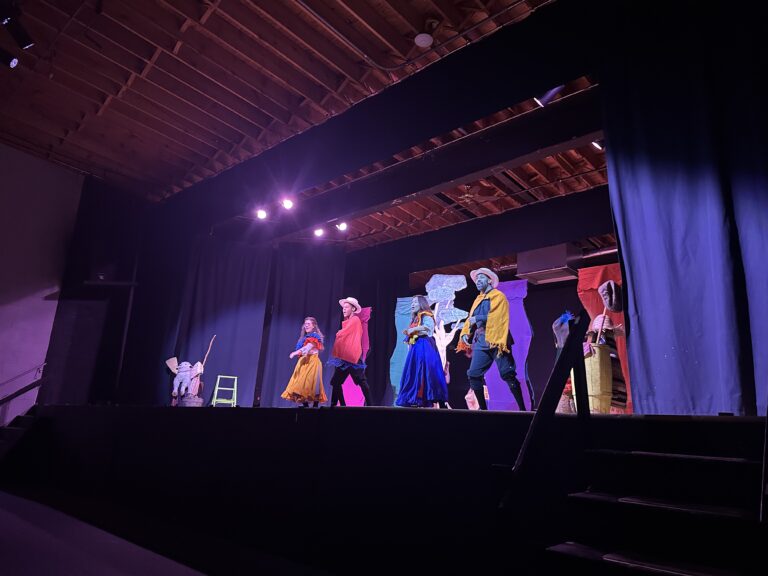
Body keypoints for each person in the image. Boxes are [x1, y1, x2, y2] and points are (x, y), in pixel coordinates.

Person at [456, 267, 526, 411]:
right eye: (476, 279)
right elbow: (470, 318)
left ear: (489, 280)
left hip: (497, 339)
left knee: (507, 374)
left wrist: (478, 318)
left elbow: (499, 317)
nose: (478, 281)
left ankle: (523, 409)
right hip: (481, 340)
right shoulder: (478, 299)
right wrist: (465, 333)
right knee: (473, 374)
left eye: (481, 278)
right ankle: (483, 409)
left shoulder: (498, 296)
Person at [396, 295, 449, 408]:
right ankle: (416, 398)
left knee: (427, 371)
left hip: (425, 346)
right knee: (415, 371)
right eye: (412, 302)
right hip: (417, 346)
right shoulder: (416, 318)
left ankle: (432, 398)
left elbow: (428, 329)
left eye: (415, 302)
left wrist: (414, 329)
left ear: (421, 304)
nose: (412, 304)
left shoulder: (426, 315)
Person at [328, 297, 373, 406]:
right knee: (335, 382)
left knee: (361, 381)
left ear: (353, 309)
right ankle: (339, 405)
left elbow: (342, 334)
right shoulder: (348, 321)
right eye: (343, 307)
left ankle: (371, 405)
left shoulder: (355, 320)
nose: (344, 309)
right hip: (345, 358)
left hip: (353, 358)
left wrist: (339, 333)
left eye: (346, 307)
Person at [281, 317, 327, 407]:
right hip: (304, 362)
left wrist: (295, 353)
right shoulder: (304, 338)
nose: (306, 326)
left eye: (308, 324)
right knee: (299, 384)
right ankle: (305, 405)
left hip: (312, 363)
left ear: (313, 326)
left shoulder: (314, 337)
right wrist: (298, 353)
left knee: (311, 385)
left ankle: (315, 406)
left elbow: (308, 347)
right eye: (305, 324)